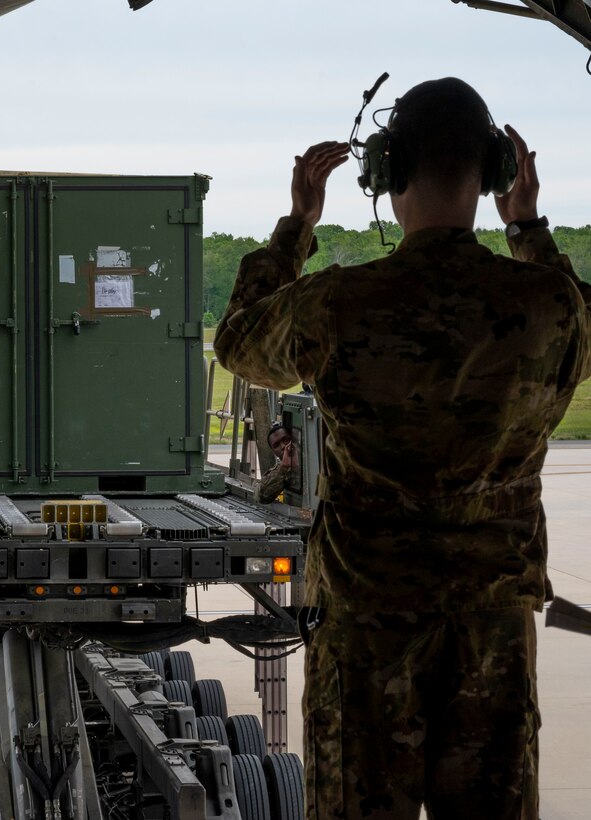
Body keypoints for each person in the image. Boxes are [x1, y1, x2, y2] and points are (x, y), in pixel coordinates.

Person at [214, 77, 591, 820]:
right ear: (492, 177)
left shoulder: (339, 302)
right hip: (492, 624)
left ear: (385, 174)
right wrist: (528, 226)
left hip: (366, 623)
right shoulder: (544, 306)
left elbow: (238, 345)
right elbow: (576, 327)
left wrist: (295, 227)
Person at [254, 422, 295, 502]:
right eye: (276, 445)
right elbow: (260, 496)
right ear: (274, 452)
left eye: (286, 440)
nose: (283, 446)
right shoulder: (280, 469)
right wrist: (283, 469)